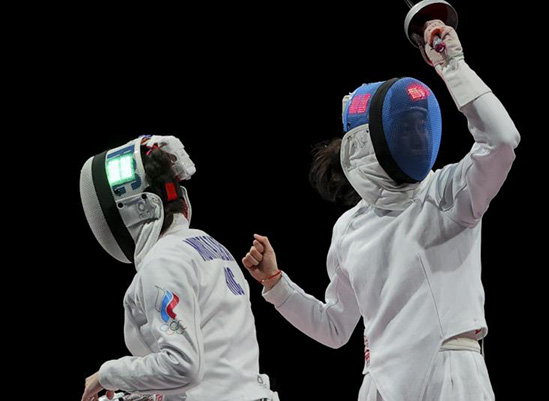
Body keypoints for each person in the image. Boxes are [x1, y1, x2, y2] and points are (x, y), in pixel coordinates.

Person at [242, 20, 520, 401]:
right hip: (380, 384)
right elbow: (335, 328)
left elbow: (501, 140)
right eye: (406, 127)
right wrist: (276, 284)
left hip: (451, 376)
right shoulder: (349, 229)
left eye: (422, 125)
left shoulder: (448, 193)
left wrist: (452, 66)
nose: (420, 136)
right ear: (367, 142)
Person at [80, 135, 278, 401]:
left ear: (135, 208)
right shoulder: (208, 245)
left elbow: (183, 366)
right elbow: (213, 361)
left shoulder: (163, 261)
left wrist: (107, 374)